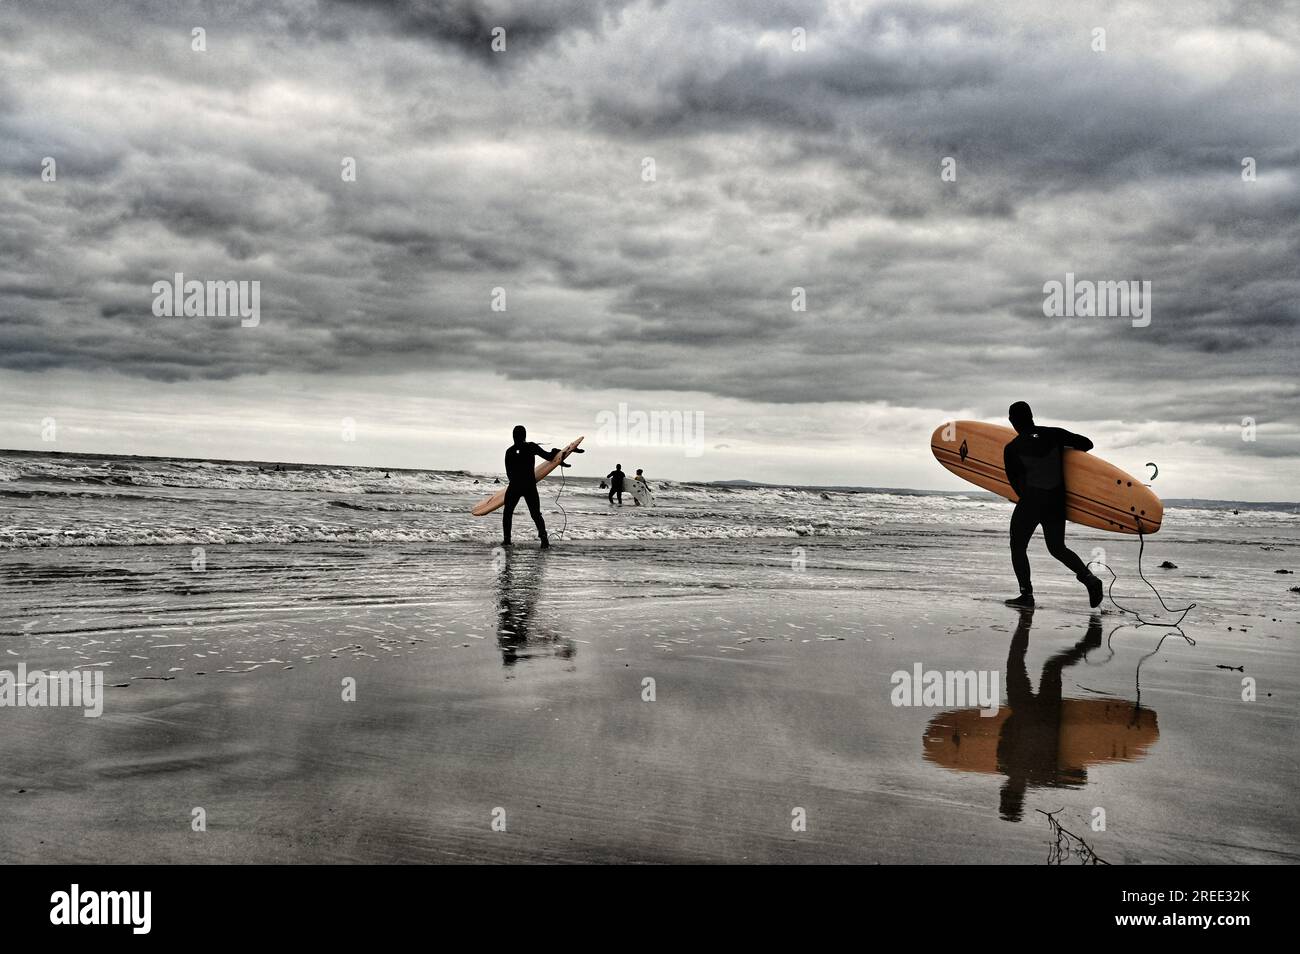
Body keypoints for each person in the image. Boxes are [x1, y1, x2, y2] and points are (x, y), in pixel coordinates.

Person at [1002, 402, 1104, 608]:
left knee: (1018, 546)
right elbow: (1087, 444)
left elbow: (1016, 484)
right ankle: (1089, 579)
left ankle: (1026, 595)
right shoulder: (1054, 434)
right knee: (1057, 547)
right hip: (1056, 501)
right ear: (1032, 416)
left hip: (1031, 501)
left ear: (1012, 421)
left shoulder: (1012, 448)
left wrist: (1029, 501)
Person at [503, 425, 565, 549]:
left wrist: (515, 482)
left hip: (515, 485)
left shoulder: (509, 451)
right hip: (529, 485)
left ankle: (507, 541)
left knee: (508, 513)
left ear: (513, 436)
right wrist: (555, 452)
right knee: (536, 514)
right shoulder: (531, 446)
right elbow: (548, 457)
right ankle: (544, 541)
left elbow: (508, 472)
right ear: (525, 435)